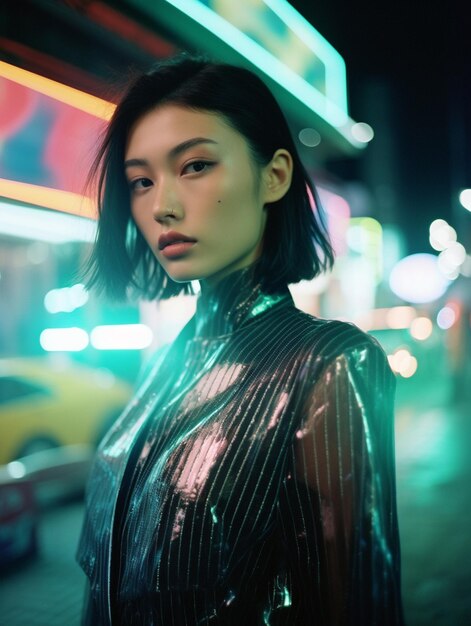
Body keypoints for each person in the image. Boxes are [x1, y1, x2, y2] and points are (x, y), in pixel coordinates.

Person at [76, 54, 404, 625]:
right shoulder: (168, 363)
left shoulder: (329, 365)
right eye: (141, 181)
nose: (162, 206)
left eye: (196, 165)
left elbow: (354, 606)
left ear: (274, 176)